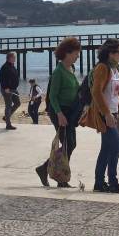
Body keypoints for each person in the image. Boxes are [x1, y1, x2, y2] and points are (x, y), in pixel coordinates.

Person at [80, 38, 119, 193]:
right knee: (116, 146)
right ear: (110, 53)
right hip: (103, 114)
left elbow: (118, 95)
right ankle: (112, 181)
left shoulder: (116, 69)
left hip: (113, 114)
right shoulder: (102, 68)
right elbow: (96, 92)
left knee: (106, 149)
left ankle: (99, 183)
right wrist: (106, 114)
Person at [35, 36, 81, 188]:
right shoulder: (58, 72)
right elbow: (52, 96)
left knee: (71, 144)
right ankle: (60, 178)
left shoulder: (71, 69)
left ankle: (45, 169)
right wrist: (59, 114)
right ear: (67, 53)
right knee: (69, 144)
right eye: (76, 53)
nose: (78, 56)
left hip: (71, 113)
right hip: (59, 112)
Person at [0, 52, 21, 130]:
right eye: (14, 57)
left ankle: (6, 117)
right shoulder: (4, 67)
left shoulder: (12, 66)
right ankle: (8, 124)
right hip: (7, 89)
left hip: (14, 89)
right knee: (8, 105)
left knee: (18, 103)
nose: (15, 59)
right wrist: (6, 88)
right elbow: (1, 79)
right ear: (10, 58)